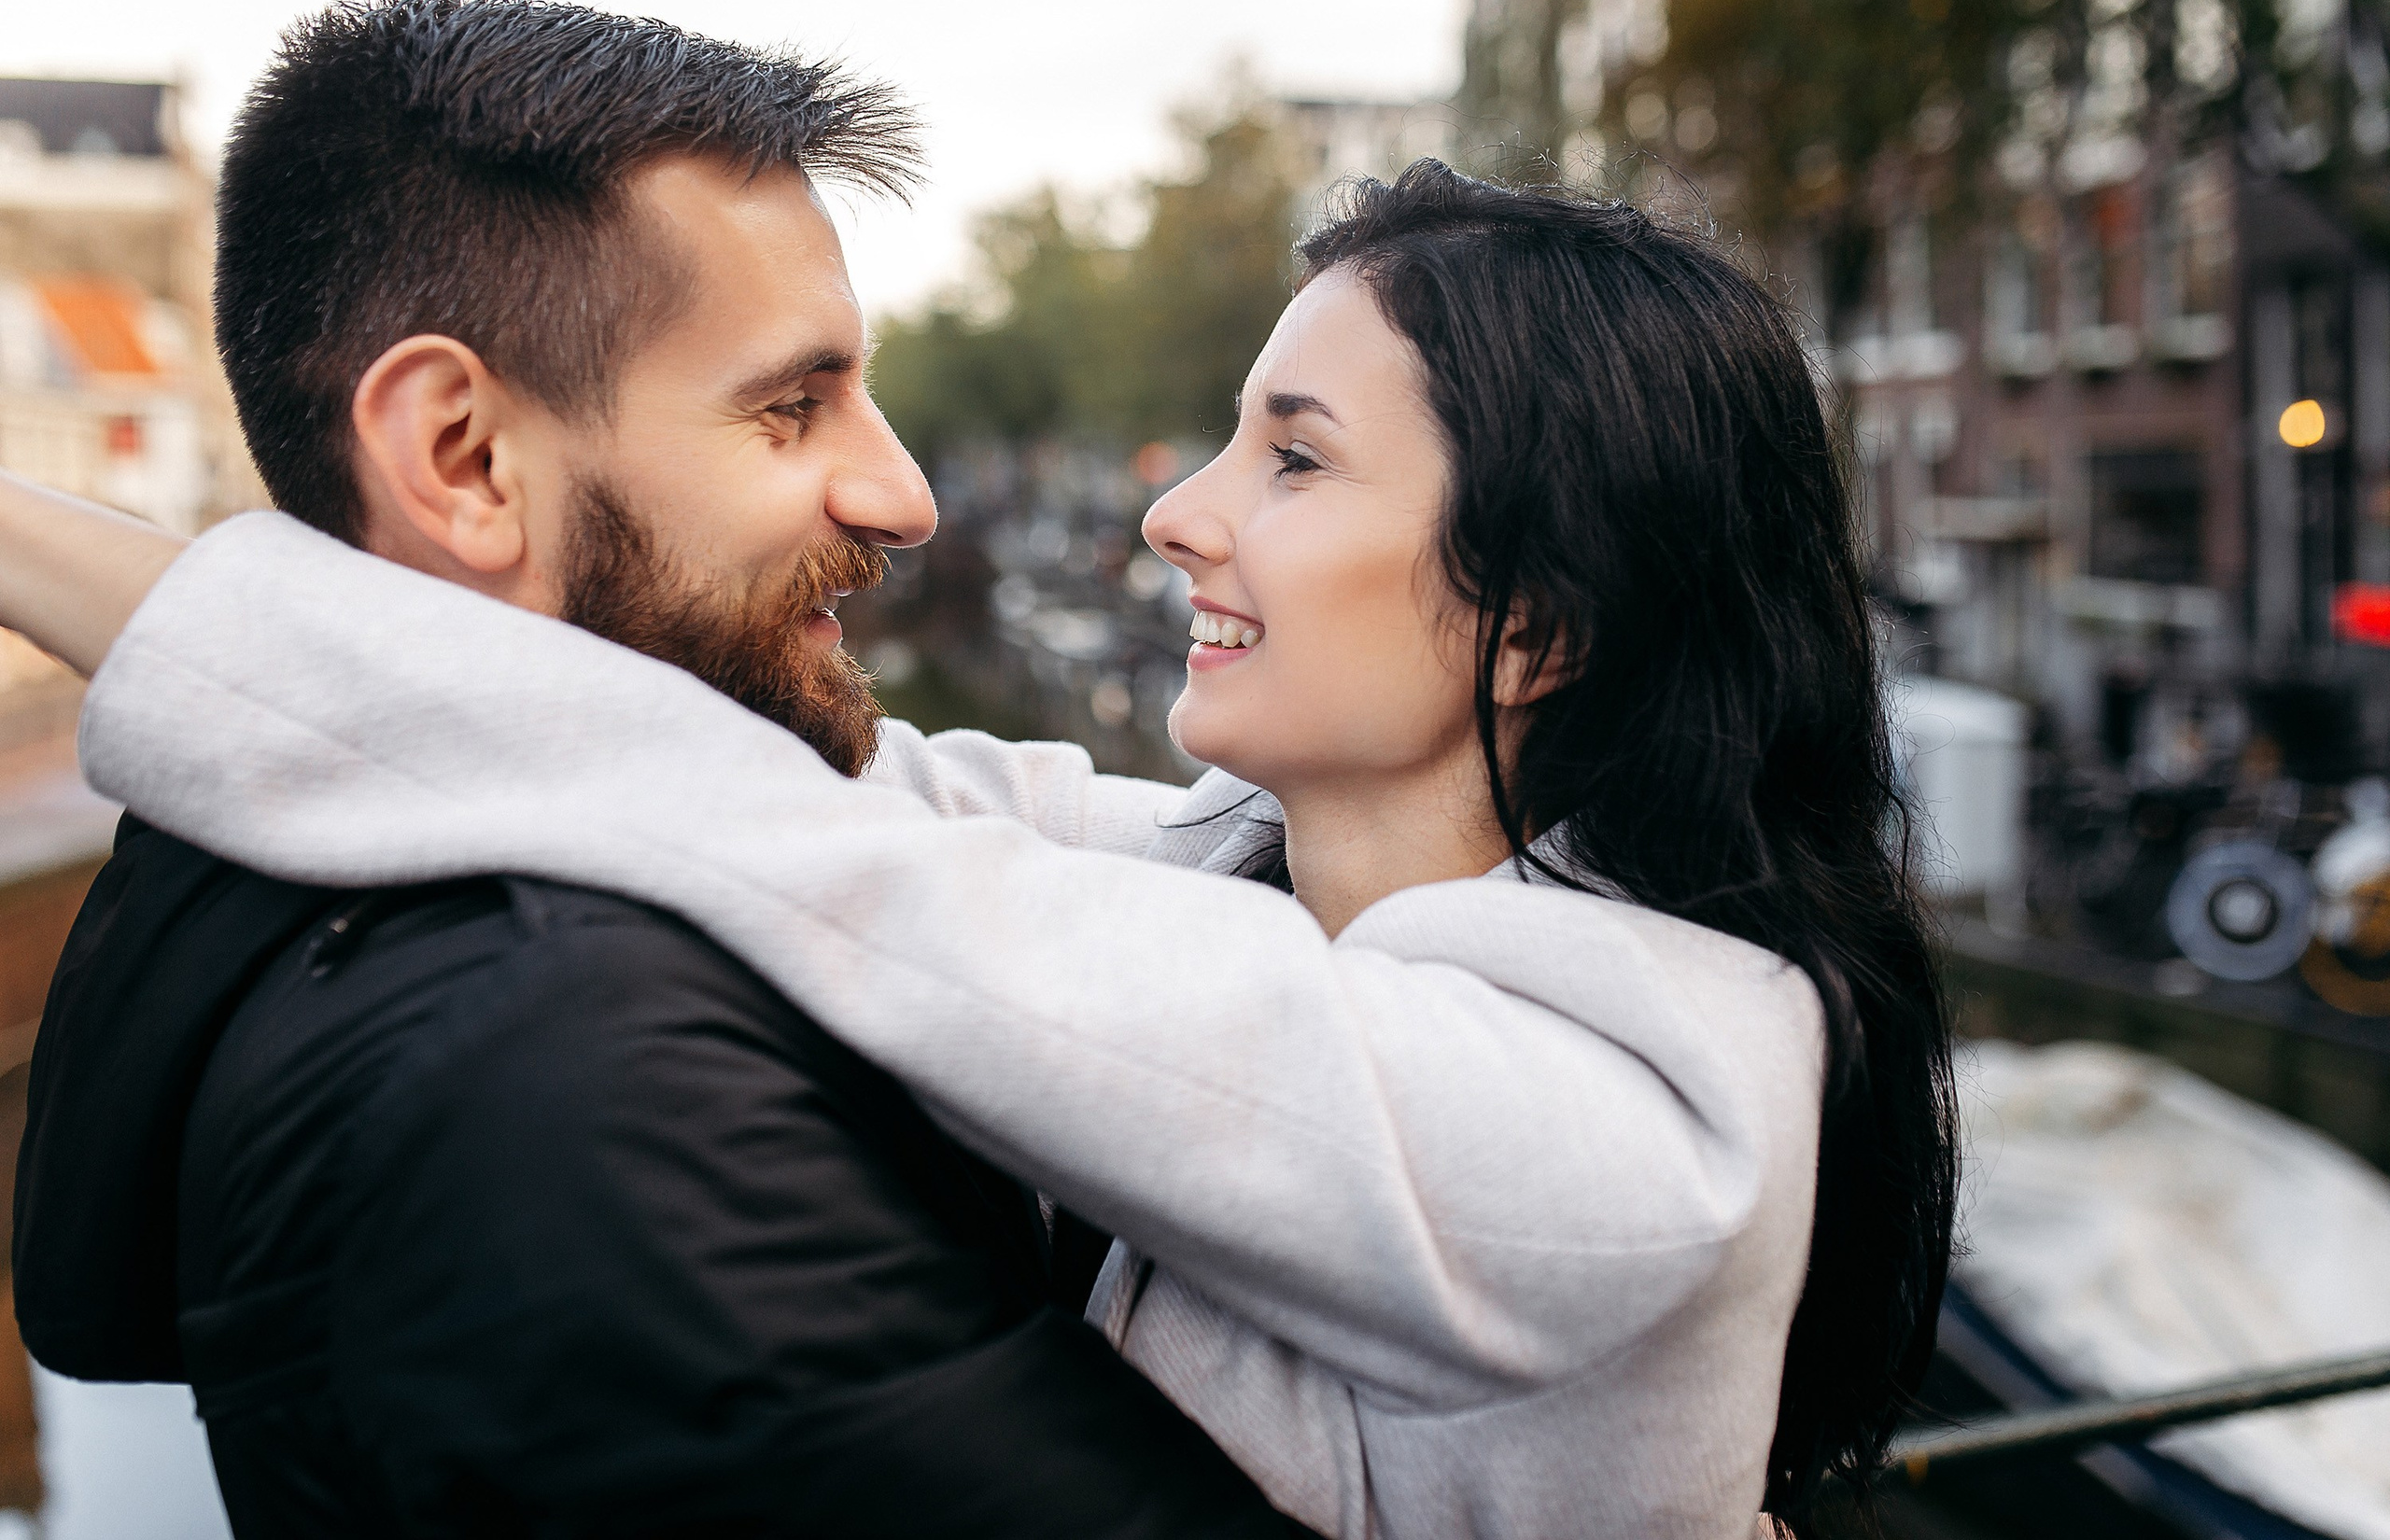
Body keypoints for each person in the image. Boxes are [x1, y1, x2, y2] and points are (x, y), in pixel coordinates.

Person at [4, 162, 1961, 1540]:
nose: (1177, 516)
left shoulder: (1614, 1140)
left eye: (1292, 458)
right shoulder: (1251, 880)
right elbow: (799, 788)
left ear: (1535, 625)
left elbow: (774, 840)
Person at [4, 0, 1313, 1540]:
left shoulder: (472, 925)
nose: (904, 494)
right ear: (464, 460)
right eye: (791, 404)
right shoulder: (578, 1092)